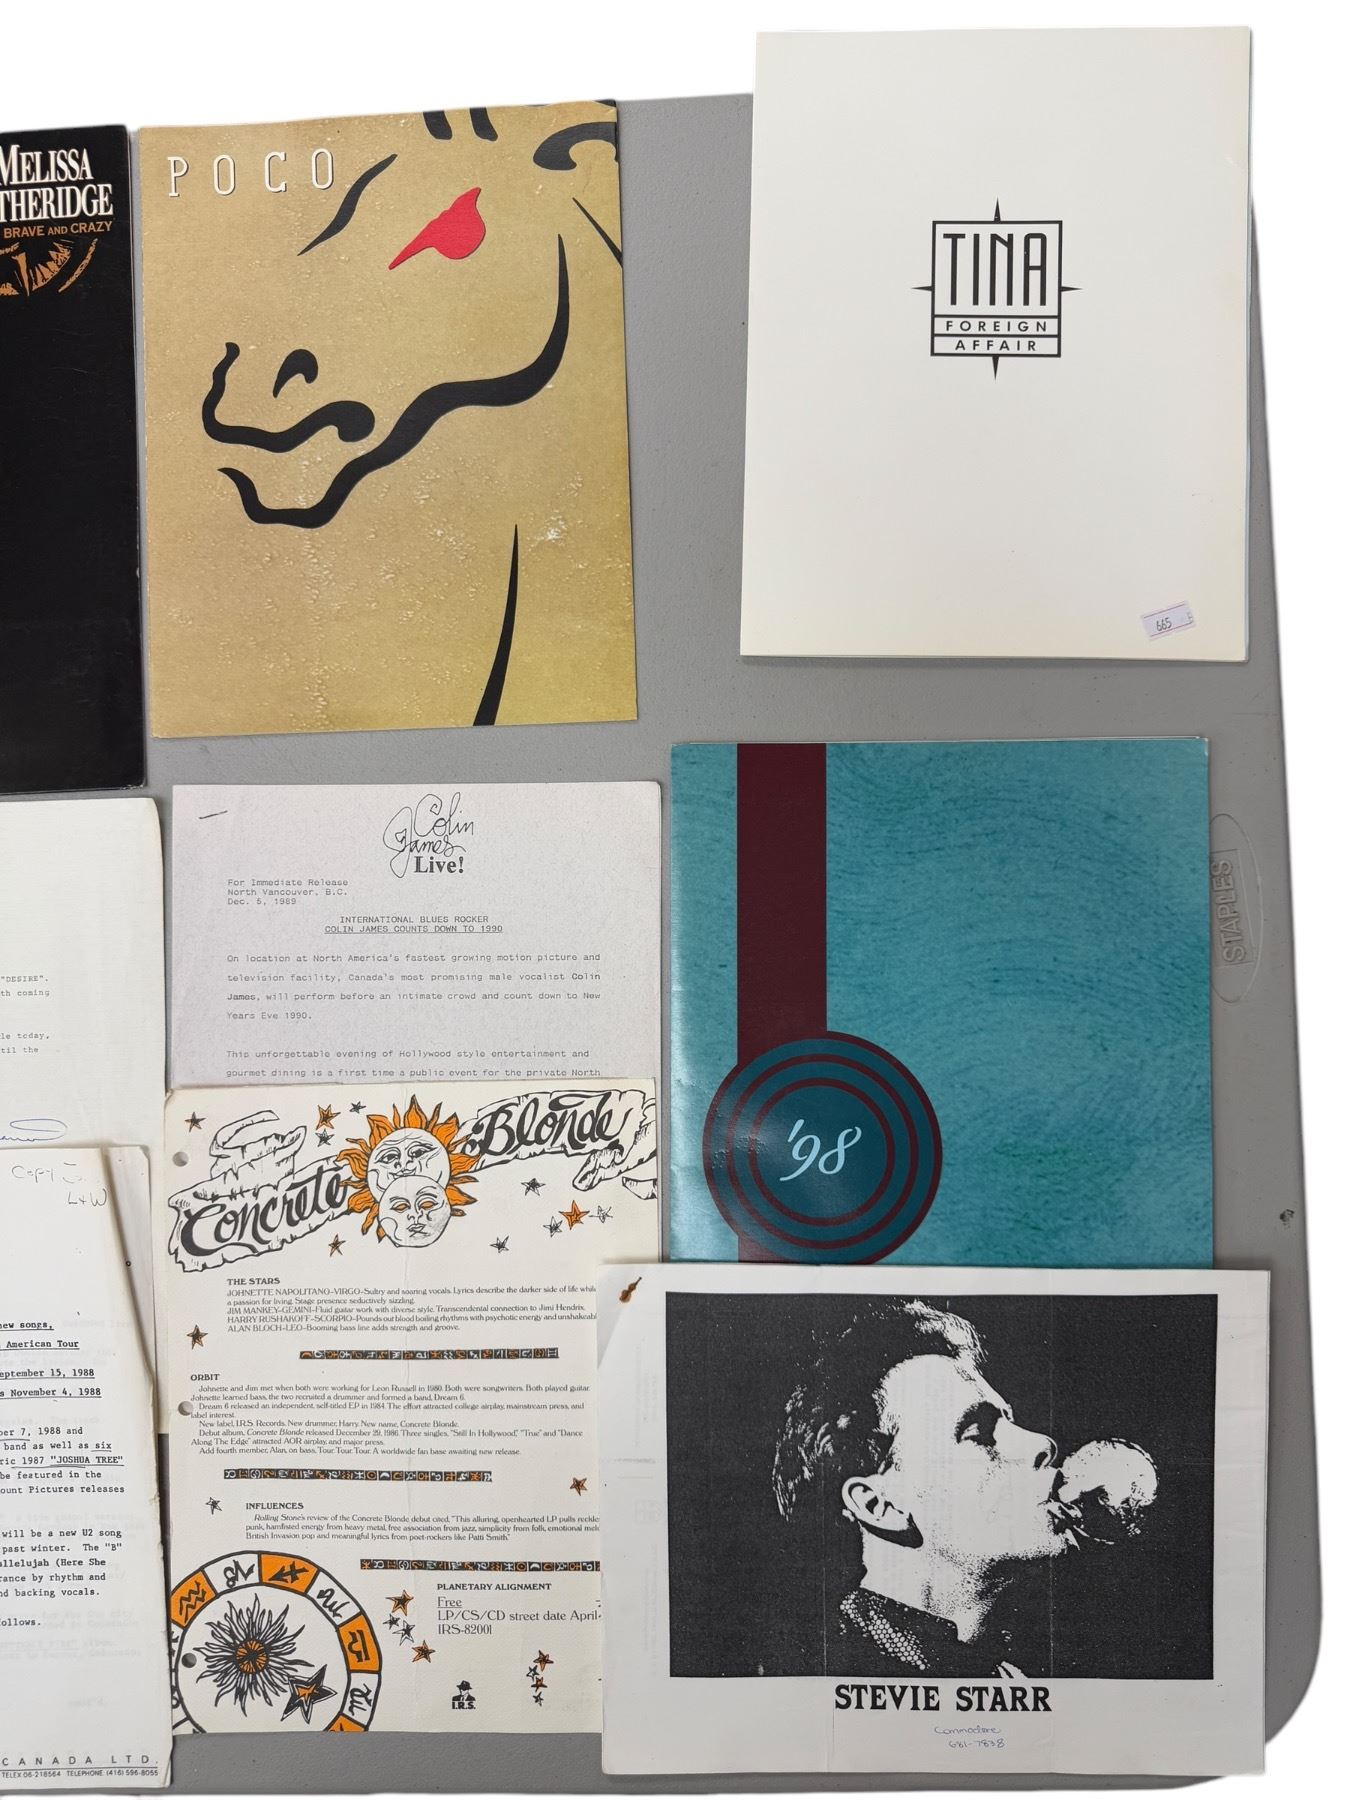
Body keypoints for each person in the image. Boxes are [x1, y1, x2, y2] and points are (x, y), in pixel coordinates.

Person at [772, 1301, 1084, 1676]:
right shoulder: (818, 1675)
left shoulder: (1013, 1681)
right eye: (980, 1434)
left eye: (1009, 1422)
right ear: (878, 1506)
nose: (1042, 1444)